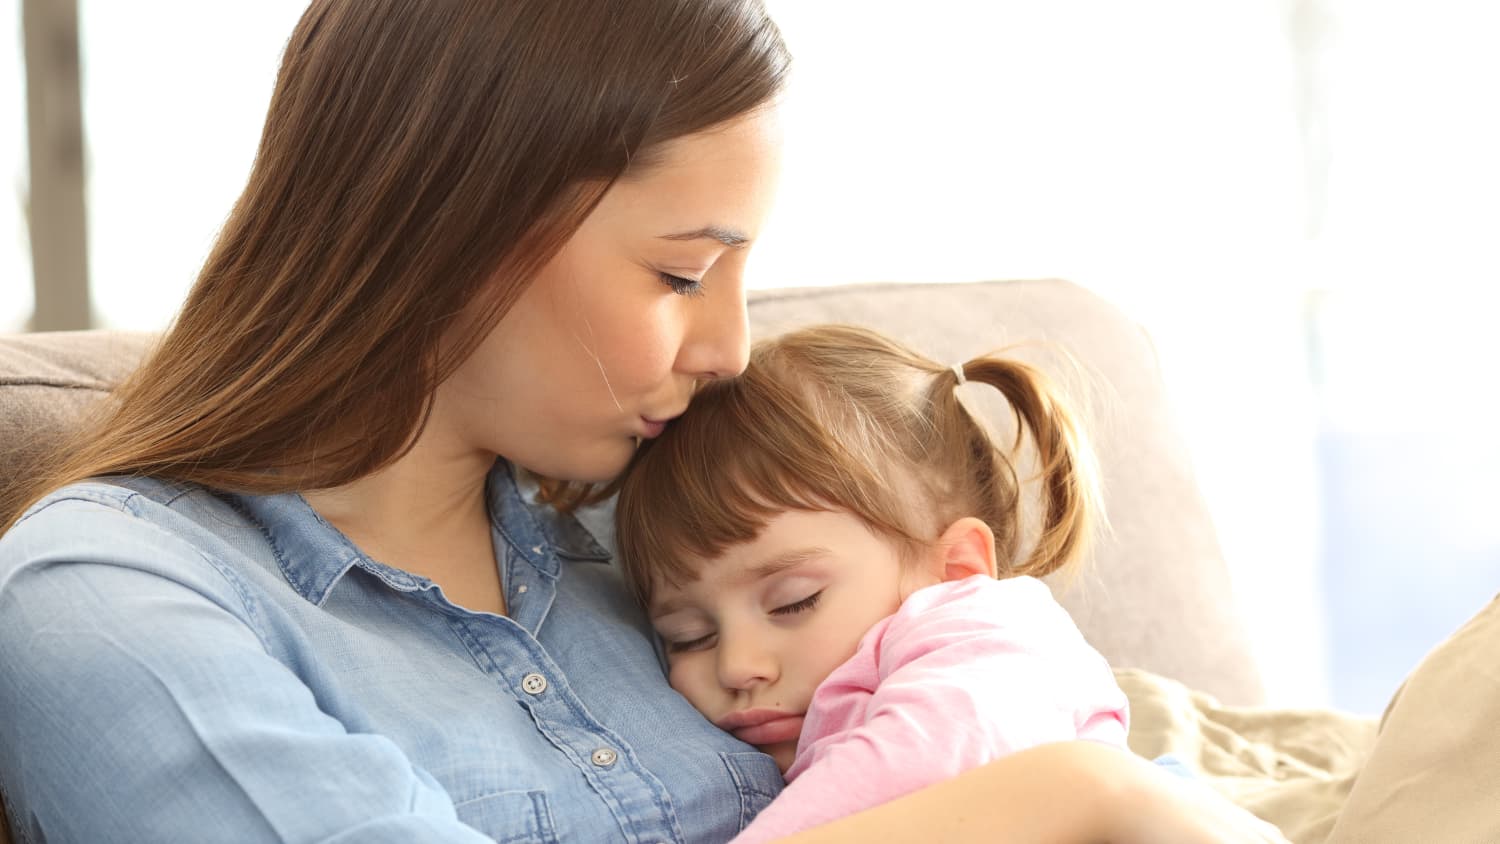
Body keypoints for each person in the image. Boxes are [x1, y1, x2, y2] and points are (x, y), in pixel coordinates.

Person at [0, 1, 1289, 842]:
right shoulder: (110, 596)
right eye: (682, 274)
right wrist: (1082, 801)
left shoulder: (656, 542)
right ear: (457, 235)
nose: (729, 348)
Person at [615, 324, 1140, 841]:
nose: (735, 666)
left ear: (954, 568)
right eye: (688, 636)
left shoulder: (992, 636)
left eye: (794, 602)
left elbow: (937, 751)